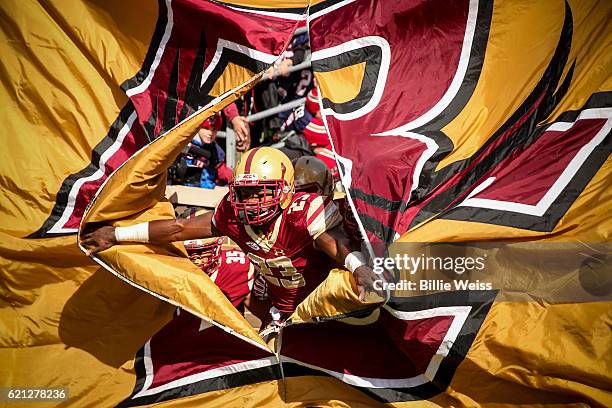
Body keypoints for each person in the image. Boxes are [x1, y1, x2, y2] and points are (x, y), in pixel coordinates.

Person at [83, 147, 379, 324]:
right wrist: (118, 234)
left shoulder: (306, 210)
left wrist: (360, 267)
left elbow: (334, 242)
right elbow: (179, 228)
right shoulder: (230, 215)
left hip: (325, 308)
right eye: (245, 193)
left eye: (260, 193)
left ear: (286, 191)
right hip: (282, 314)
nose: (251, 202)